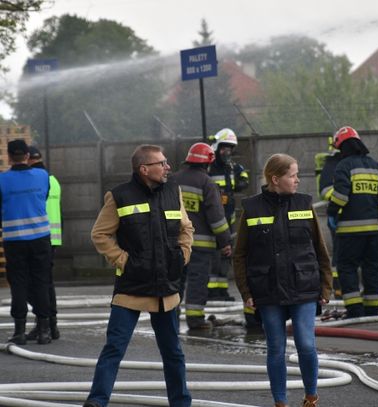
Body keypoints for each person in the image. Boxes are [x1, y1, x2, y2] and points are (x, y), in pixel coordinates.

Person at [83, 144, 193, 407]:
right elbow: (100, 234)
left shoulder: (172, 191)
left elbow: (186, 228)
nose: (167, 167)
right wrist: (123, 260)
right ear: (145, 169)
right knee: (114, 349)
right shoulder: (119, 196)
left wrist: (181, 257)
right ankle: (97, 401)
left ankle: (181, 403)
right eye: (162, 163)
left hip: (165, 289)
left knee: (173, 353)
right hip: (131, 288)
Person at [233, 153, 332, 407]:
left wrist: (325, 286)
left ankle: (311, 398)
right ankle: (280, 403)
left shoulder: (304, 204)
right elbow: (240, 254)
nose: (298, 180)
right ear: (275, 179)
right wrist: (246, 292)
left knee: (306, 344)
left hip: (304, 287)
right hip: (267, 290)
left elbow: (320, 248)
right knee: (276, 349)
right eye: (293, 175)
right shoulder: (252, 208)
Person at [327, 126, 378, 318]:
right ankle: (373, 310)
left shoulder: (344, 166)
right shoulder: (376, 166)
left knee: (347, 269)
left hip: (349, 232)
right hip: (373, 231)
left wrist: (332, 212)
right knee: (372, 269)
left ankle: (355, 310)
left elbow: (340, 197)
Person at [170, 142, 232, 330]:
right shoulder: (207, 183)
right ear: (208, 163)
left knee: (175, 282)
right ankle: (195, 320)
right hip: (200, 247)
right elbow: (217, 218)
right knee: (197, 282)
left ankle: (171, 319)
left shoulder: (172, 180)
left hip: (174, 244)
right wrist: (225, 242)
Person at [0, 139, 52, 345]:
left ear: (9, 157)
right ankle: (44, 330)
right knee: (41, 282)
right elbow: (45, 196)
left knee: (18, 284)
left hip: (14, 240)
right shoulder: (42, 175)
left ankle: (19, 331)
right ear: (28, 156)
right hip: (40, 238)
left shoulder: (2, 180)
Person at [208, 128, 257, 325]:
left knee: (225, 253)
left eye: (230, 149)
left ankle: (221, 290)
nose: (226, 152)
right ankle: (212, 290)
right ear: (217, 147)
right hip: (210, 218)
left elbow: (242, 181)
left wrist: (240, 177)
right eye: (224, 148)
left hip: (226, 216)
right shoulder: (209, 168)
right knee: (212, 253)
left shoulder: (232, 168)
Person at [24, 145, 61, 340]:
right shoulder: (52, 180)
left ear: (28, 158)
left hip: (38, 236)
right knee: (46, 283)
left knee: (33, 284)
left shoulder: (33, 181)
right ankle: (51, 325)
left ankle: (43, 323)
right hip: (52, 237)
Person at [315, 136, 343, 299]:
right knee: (340, 254)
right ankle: (339, 289)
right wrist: (345, 195)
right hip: (339, 216)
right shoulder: (331, 164)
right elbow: (325, 191)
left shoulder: (352, 162)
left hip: (352, 216)